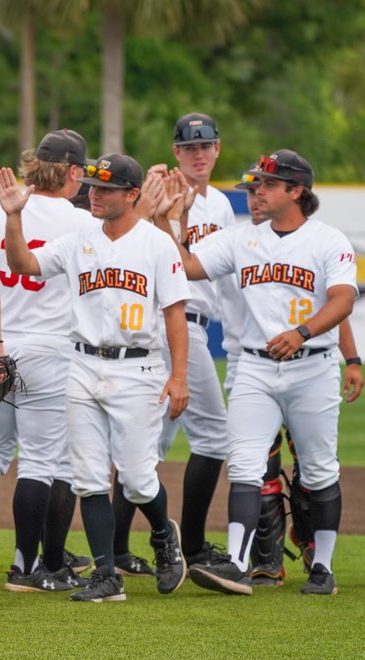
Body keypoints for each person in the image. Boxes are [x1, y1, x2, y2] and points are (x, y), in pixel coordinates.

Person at [0, 152, 190, 602]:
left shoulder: (156, 244)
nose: (94, 195)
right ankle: (106, 576)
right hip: (82, 364)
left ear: (132, 194)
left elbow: (175, 313)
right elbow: (24, 264)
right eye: (92, 187)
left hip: (139, 367)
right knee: (86, 477)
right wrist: (13, 217)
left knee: (139, 478)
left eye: (105, 189)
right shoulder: (79, 237)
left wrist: (178, 377)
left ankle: (164, 536)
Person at [174, 149, 356, 596]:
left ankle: (323, 569)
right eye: (256, 185)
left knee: (317, 469)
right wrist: (172, 224)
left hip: (311, 365)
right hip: (255, 365)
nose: (258, 191)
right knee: (245, 464)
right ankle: (237, 562)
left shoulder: (328, 240)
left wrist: (305, 333)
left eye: (268, 184)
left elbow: (343, 300)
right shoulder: (241, 239)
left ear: (296, 191)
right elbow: (189, 267)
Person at [0, 130, 94, 593]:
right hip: (50, 347)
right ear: (73, 172)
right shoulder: (81, 221)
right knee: (39, 460)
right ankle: (26, 566)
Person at [111, 113, 234, 577]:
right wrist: (159, 210)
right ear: (176, 151)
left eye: (206, 146)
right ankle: (195, 545)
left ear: (218, 150)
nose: (199, 154)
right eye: (189, 147)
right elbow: (140, 249)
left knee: (144, 446)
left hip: (195, 320)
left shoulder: (220, 205)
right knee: (213, 435)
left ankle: (118, 552)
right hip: (167, 324)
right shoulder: (154, 190)